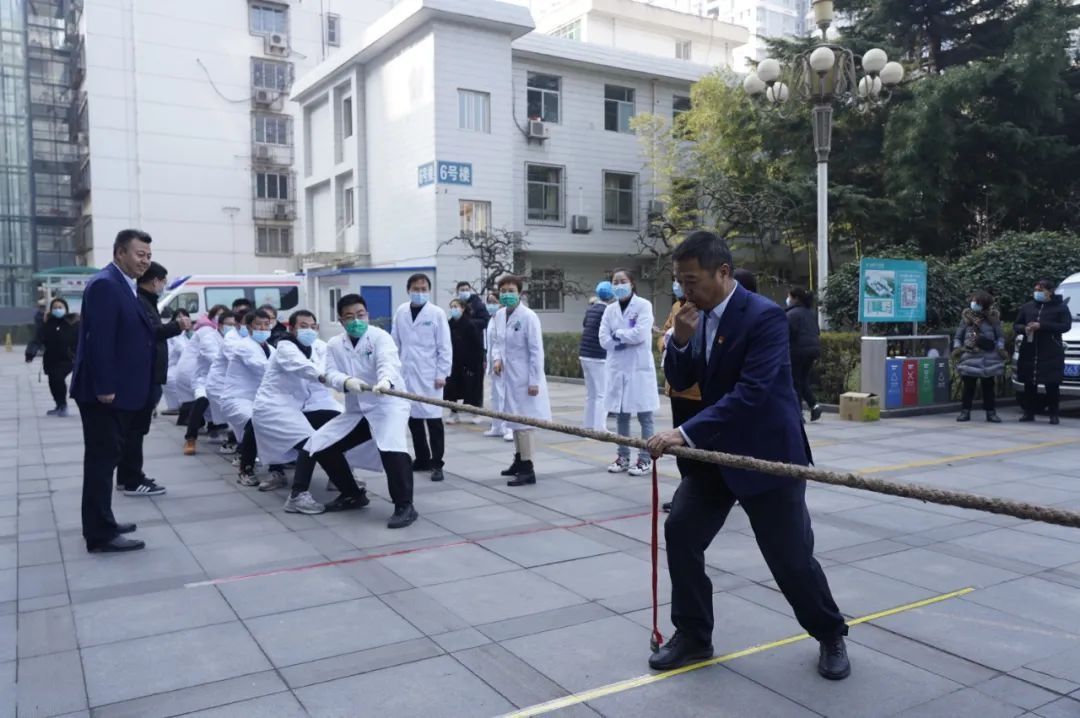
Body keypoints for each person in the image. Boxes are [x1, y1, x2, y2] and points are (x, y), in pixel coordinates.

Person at [646, 231, 849, 679]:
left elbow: (752, 392)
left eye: (692, 280)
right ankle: (694, 635)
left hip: (766, 455)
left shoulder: (765, 317)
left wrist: (684, 432)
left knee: (790, 558)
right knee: (681, 533)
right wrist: (679, 340)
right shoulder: (690, 315)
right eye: (679, 281)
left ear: (722, 272)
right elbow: (682, 381)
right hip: (713, 457)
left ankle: (830, 633)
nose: (685, 291)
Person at [70, 229, 155, 553]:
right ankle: (100, 534)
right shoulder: (106, 284)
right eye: (139, 254)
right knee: (101, 463)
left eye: (148, 255)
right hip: (104, 394)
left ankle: (101, 520)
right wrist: (105, 387)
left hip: (116, 392)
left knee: (105, 459)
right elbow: (99, 341)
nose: (144, 261)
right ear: (120, 252)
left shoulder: (122, 283)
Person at [308, 294, 418, 528]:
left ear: (367, 315)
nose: (356, 320)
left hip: (387, 404)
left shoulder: (380, 337)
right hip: (358, 408)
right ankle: (352, 494)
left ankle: (405, 505)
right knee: (320, 444)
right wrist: (346, 381)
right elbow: (328, 373)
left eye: (361, 315)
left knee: (391, 447)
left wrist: (385, 382)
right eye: (350, 316)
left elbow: (388, 364)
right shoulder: (335, 344)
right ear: (341, 320)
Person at [251, 310, 354, 515]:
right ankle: (297, 496)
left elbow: (337, 361)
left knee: (333, 435)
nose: (309, 330)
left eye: (312, 326)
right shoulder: (285, 347)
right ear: (292, 328)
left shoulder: (316, 346)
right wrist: (333, 380)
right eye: (303, 326)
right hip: (273, 407)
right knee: (312, 443)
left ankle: (346, 486)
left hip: (295, 407)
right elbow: (303, 368)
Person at [115, 261, 188, 496]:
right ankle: (133, 479)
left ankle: (128, 476)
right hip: (144, 376)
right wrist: (178, 326)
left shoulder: (145, 300)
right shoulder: (141, 301)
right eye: (163, 281)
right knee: (135, 430)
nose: (164, 285)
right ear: (155, 280)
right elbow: (152, 333)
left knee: (135, 430)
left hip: (146, 374)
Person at [491, 275, 551, 486]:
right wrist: (497, 360)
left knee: (524, 422)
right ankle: (518, 460)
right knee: (514, 420)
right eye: (503, 290)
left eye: (511, 290)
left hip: (526, 377)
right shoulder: (499, 315)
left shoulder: (529, 316)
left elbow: (536, 350)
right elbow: (497, 342)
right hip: (508, 376)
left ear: (520, 293)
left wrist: (534, 380)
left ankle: (528, 469)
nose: (507, 294)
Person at [392, 273, 452, 483]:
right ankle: (422, 458)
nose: (420, 292)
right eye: (416, 289)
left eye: (423, 289)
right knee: (414, 419)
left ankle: (437, 463)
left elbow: (444, 346)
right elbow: (395, 342)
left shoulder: (436, 313)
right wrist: (393, 370)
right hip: (407, 373)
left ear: (429, 290)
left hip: (430, 375)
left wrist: (442, 373)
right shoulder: (401, 311)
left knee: (434, 420)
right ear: (408, 290)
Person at [600, 268, 660, 476]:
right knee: (621, 416)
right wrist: (621, 340)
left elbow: (641, 334)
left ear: (632, 283)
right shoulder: (609, 310)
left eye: (622, 281)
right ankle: (623, 456)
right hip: (618, 368)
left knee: (645, 416)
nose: (618, 285)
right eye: (615, 282)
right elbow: (603, 339)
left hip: (638, 368)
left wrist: (617, 334)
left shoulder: (644, 305)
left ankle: (645, 459)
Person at [224, 310, 288, 490]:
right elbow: (264, 368)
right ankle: (245, 470)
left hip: (258, 399)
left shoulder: (271, 348)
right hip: (238, 399)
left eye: (266, 324)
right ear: (249, 327)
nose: (263, 328)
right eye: (258, 324)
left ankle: (278, 468)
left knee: (277, 422)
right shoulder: (244, 346)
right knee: (256, 422)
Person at [658, 278, 705, 513]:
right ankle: (686, 492)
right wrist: (667, 341)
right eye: (677, 280)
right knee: (681, 450)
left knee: (697, 449)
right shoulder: (678, 307)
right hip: (677, 391)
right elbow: (665, 334)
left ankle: (696, 493)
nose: (680, 286)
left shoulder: (705, 310)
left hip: (698, 393)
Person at [1015, 278, 1073, 425]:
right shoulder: (1027, 307)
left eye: (1041, 290)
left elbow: (1065, 326)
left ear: (1050, 292)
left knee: (1051, 383)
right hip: (1030, 349)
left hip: (1050, 350)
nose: (1037, 293)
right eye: (1036, 290)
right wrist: (1025, 328)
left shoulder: (1060, 307)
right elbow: (1017, 325)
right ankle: (1029, 412)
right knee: (1029, 382)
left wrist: (1042, 325)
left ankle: (1054, 414)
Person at [181, 309, 236, 455]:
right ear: (220, 325)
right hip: (204, 379)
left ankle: (231, 438)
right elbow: (215, 359)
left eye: (233, 324)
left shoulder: (235, 338)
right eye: (228, 324)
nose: (231, 327)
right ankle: (190, 438)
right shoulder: (209, 338)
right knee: (202, 400)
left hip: (226, 381)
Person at [952, 290, 1006, 423]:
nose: (973, 303)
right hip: (970, 356)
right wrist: (958, 349)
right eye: (973, 300)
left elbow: (1000, 337)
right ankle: (965, 412)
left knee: (988, 387)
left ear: (984, 304)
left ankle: (991, 412)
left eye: (977, 302)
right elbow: (958, 336)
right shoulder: (966, 318)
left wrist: (999, 348)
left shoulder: (993, 319)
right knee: (968, 387)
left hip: (989, 357)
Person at [174, 303, 227, 434]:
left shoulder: (214, 331)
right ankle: (193, 434)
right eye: (217, 315)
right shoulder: (207, 331)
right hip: (194, 371)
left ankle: (208, 425)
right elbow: (211, 354)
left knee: (203, 400)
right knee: (203, 398)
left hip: (199, 370)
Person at [580, 281, 613, 432]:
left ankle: (588, 425)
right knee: (602, 394)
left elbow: (585, 324)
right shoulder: (608, 311)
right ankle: (600, 427)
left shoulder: (591, 309)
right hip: (598, 356)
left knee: (591, 393)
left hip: (585, 354)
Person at [446, 297, 485, 425]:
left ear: (463, 308)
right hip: (454, 362)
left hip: (470, 362)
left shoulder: (470, 324)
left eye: (456, 306)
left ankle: (476, 412)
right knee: (452, 388)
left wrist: (478, 361)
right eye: (452, 307)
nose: (454, 309)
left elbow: (478, 345)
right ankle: (453, 413)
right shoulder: (449, 324)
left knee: (473, 388)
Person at [786, 287, 823, 422]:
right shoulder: (810, 313)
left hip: (797, 351)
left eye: (789, 296)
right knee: (802, 380)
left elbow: (787, 334)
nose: (788, 300)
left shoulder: (791, 315)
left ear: (795, 298)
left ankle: (798, 414)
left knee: (795, 382)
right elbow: (816, 331)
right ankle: (814, 406)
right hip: (813, 350)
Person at [38, 297, 79, 417]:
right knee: (52, 382)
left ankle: (64, 405)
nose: (57, 309)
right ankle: (58, 405)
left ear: (65, 309)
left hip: (67, 358)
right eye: (55, 307)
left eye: (60, 307)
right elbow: (39, 337)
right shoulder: (48, 323)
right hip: (51, 358)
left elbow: (79, 339)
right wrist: (31, 351)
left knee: (58, 379)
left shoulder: (73, 323)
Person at [482, 291, 511, 440]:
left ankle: (509, 427)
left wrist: (498, 359)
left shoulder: (504, 318)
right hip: (493, 362)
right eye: (489, 302)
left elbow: (501, 342)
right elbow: (490, 343)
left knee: (504, 395)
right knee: (495, 396)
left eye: (494, 301)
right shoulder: (492, 319)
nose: (491, 305)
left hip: (502, 363)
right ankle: (497, 426)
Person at [162, 308, 191, 415]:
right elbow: (181, 350)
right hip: (173, 366)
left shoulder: (189, 334)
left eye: (185, 317)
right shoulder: (173, 335)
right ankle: (176, 406)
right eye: (179, 317)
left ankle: (181, 405)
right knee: (170, 379)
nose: (182, 319)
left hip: (185, 366)